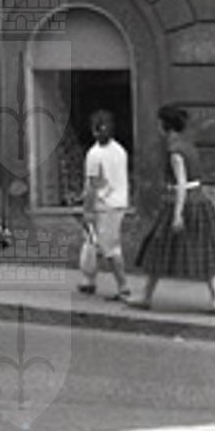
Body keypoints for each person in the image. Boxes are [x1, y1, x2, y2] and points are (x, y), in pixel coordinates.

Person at [132, 105, 215, 315]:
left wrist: (177, 214)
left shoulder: (174, 151)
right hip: (200, 202)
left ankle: (146, 296)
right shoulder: (188, 145)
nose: (157, 126)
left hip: (180, 202)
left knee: (158, 248)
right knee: (205, 250)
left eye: (159, 123)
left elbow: (181, 184)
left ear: (164, 125)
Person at [76, 110, 133, 303]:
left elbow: (92, 185)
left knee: (109, 248)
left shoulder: (94, 155)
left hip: (103, 205)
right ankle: (88, 280)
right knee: (92, 241)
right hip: (118, 202)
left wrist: (87, 210)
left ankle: (123, 286)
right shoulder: (120, 151)